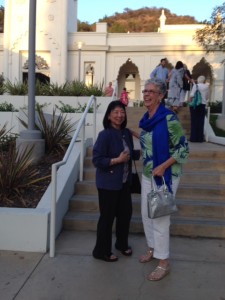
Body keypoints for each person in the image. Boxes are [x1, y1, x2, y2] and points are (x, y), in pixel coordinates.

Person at [131, 78, 189, 281]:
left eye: (151, 91)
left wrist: (163, 166)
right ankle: (153, 248)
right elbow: (151, 142)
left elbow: (183, 149)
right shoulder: (148, 117)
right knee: (147, 214)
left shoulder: (169, 119)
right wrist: (134, 134)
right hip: (148, 173)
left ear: (161, 96)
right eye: (145, 91)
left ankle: (163, 262)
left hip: (166, 175)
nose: (146, 94)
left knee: (160, 218)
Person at [92, 100, 140, 262]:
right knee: (107, 218)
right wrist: (117, 160)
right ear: (109, 115)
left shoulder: (126, 133)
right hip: (108, 184)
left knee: (125, 215)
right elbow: (97, 160)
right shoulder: (104, 135)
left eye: (122, 112)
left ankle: (121, 244)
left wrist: (148, 150)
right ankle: (101, 251)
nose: (120, 115)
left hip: (124, 183)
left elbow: (130, 154)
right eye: (116, 112)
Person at [188, 75, 209, 142]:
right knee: (201, 121)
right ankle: (200, 138)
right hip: (202, 105)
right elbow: (207, 96)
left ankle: (193, 138)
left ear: (198, 80)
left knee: (194, 121)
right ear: (204, 80)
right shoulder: (206, 86)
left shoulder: (196, 86)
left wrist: (189, 101)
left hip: (195, 105)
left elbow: (192, 95)